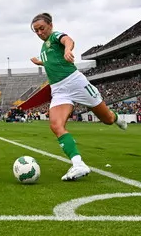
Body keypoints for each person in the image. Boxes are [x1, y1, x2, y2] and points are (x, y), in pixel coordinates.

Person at [29, 13, 126, 181]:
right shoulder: (44, 47)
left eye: (41, 28)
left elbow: (68, 40)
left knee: (107, 119)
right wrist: (41, 62)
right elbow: (53, 60)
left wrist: (68, 49)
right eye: (35, 30)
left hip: (75, 83)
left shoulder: (55, 36)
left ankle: (117, 118)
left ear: (50, 25)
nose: (39, 32)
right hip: (58, 90)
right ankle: (78, 164)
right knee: (55, 125)